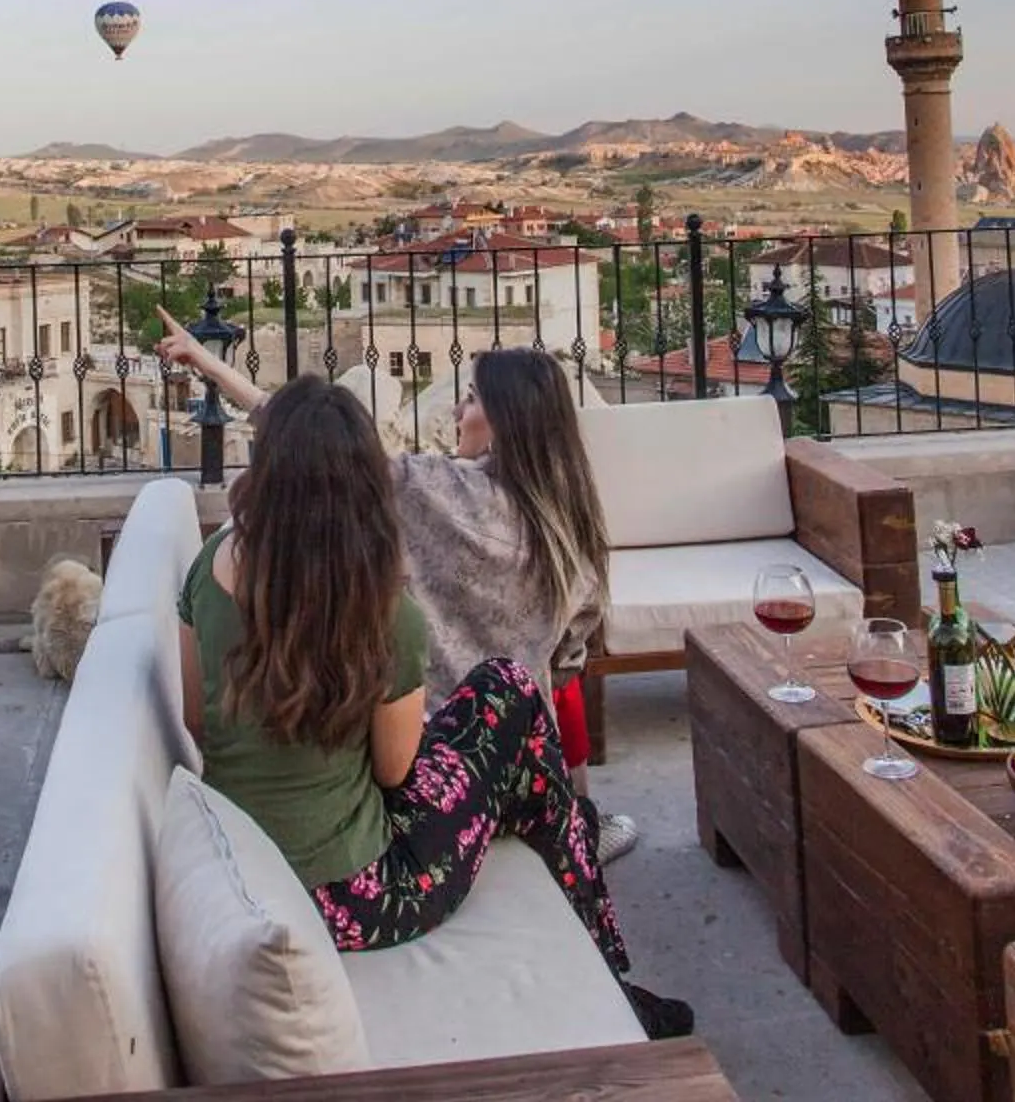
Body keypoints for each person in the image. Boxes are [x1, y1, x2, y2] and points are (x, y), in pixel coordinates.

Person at [173, 374, 693, 1041]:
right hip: (359, 897)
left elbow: (195, 716)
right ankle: (611, 976)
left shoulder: (210, 563)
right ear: (360, 481)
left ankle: (569, 852)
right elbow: (396, 774)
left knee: (508, 718)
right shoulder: (380, 614)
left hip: (248, 866)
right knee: (512, 699)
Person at [158, 320, 639, 861]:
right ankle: (577, 824)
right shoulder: (570, 524)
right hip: (516, 769)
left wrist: (213, 366)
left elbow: (315, 444)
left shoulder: (433, 491)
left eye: (472, 398)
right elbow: (570, 658)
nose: (457, 410)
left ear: (505, 421)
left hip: (423, 761)